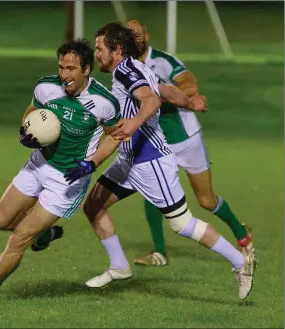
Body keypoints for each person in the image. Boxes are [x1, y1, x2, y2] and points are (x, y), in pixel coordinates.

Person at [66, 22, 256, 300]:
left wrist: (133, 124)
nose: (96, 55)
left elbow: (152, 101)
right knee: (94, 205)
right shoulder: (133, 66)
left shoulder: (126, 71)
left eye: (99, 49)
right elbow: (165, 92)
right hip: (129, 160)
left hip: (151, 162)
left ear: (116, 50)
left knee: (182, 224)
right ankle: (119, 266)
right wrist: (191, 104)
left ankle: (242, 263)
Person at [0, 38, 124, 304]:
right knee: (0, 221)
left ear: (86, 69)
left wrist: (92, 163)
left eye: (71, 69)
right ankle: (45, 235)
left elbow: (114, 136)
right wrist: (25, 130)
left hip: (67, 180)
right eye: (61, 67)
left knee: (19, 238)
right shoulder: (46, 87)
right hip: (39, 164)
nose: (64, 75)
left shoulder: (104, 102)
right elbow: (33, 111)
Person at [126, 19, 256, 266]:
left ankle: (242, 235)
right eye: (130, 34)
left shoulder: (163, 61)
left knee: (206, 200)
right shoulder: (125, 67)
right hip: (157, 142)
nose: (136, 38)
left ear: (147, 35)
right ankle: (160, 252)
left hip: (186, 139)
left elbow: (190, 84)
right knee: (153, 193)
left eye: (138, 33)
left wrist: (160, 96)